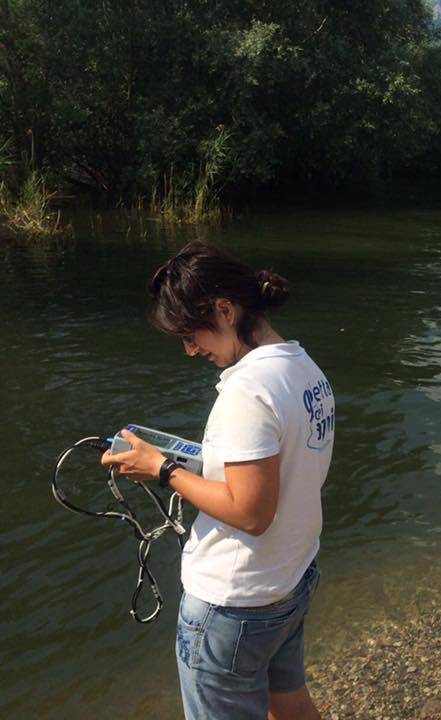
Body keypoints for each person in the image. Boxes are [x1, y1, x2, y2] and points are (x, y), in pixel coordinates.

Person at [101, 242, 334, 720]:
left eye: (191, 334)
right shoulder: (305, 369)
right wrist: (195, 461)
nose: (190, 351)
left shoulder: (246, 391)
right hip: (292, 578)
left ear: (224, 310)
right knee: (289, 702)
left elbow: (251, 513)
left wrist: (162, 470)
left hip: (235, 603)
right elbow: (278, 469)